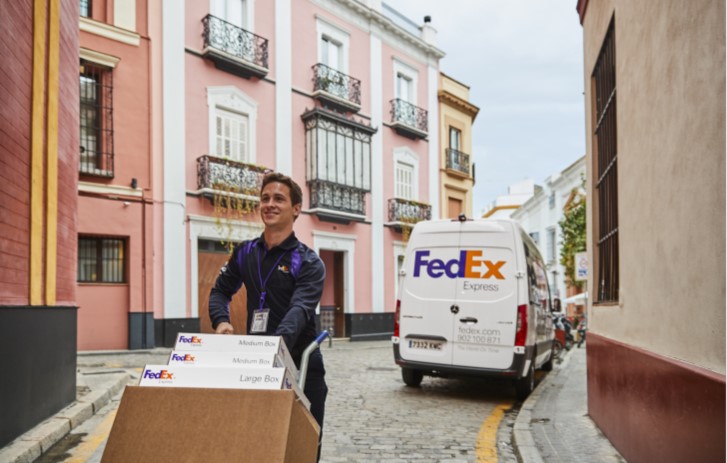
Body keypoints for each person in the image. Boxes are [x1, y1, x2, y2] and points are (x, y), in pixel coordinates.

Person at [208, 172, 328, 458]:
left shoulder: (309, 261)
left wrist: (276, 344)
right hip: (255, 364)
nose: (269, 204)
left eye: (278, 199)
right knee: (259, 445)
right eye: (264, 198)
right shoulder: (245, 252)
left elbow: (300, 310)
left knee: (303, 448)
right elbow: (220, 291)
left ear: (296, 209)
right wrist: (222, 321)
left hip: (301, 364)